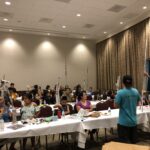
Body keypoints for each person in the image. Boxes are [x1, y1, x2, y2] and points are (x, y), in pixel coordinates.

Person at [115, 75, 141, 144]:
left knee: (124, 145)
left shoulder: (120, 93)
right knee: (133, 144)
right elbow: (138, 102)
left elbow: (115, 105)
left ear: (123, 83)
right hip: (133, 122)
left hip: (123, 123)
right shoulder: (136, 91)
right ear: (132, 83)